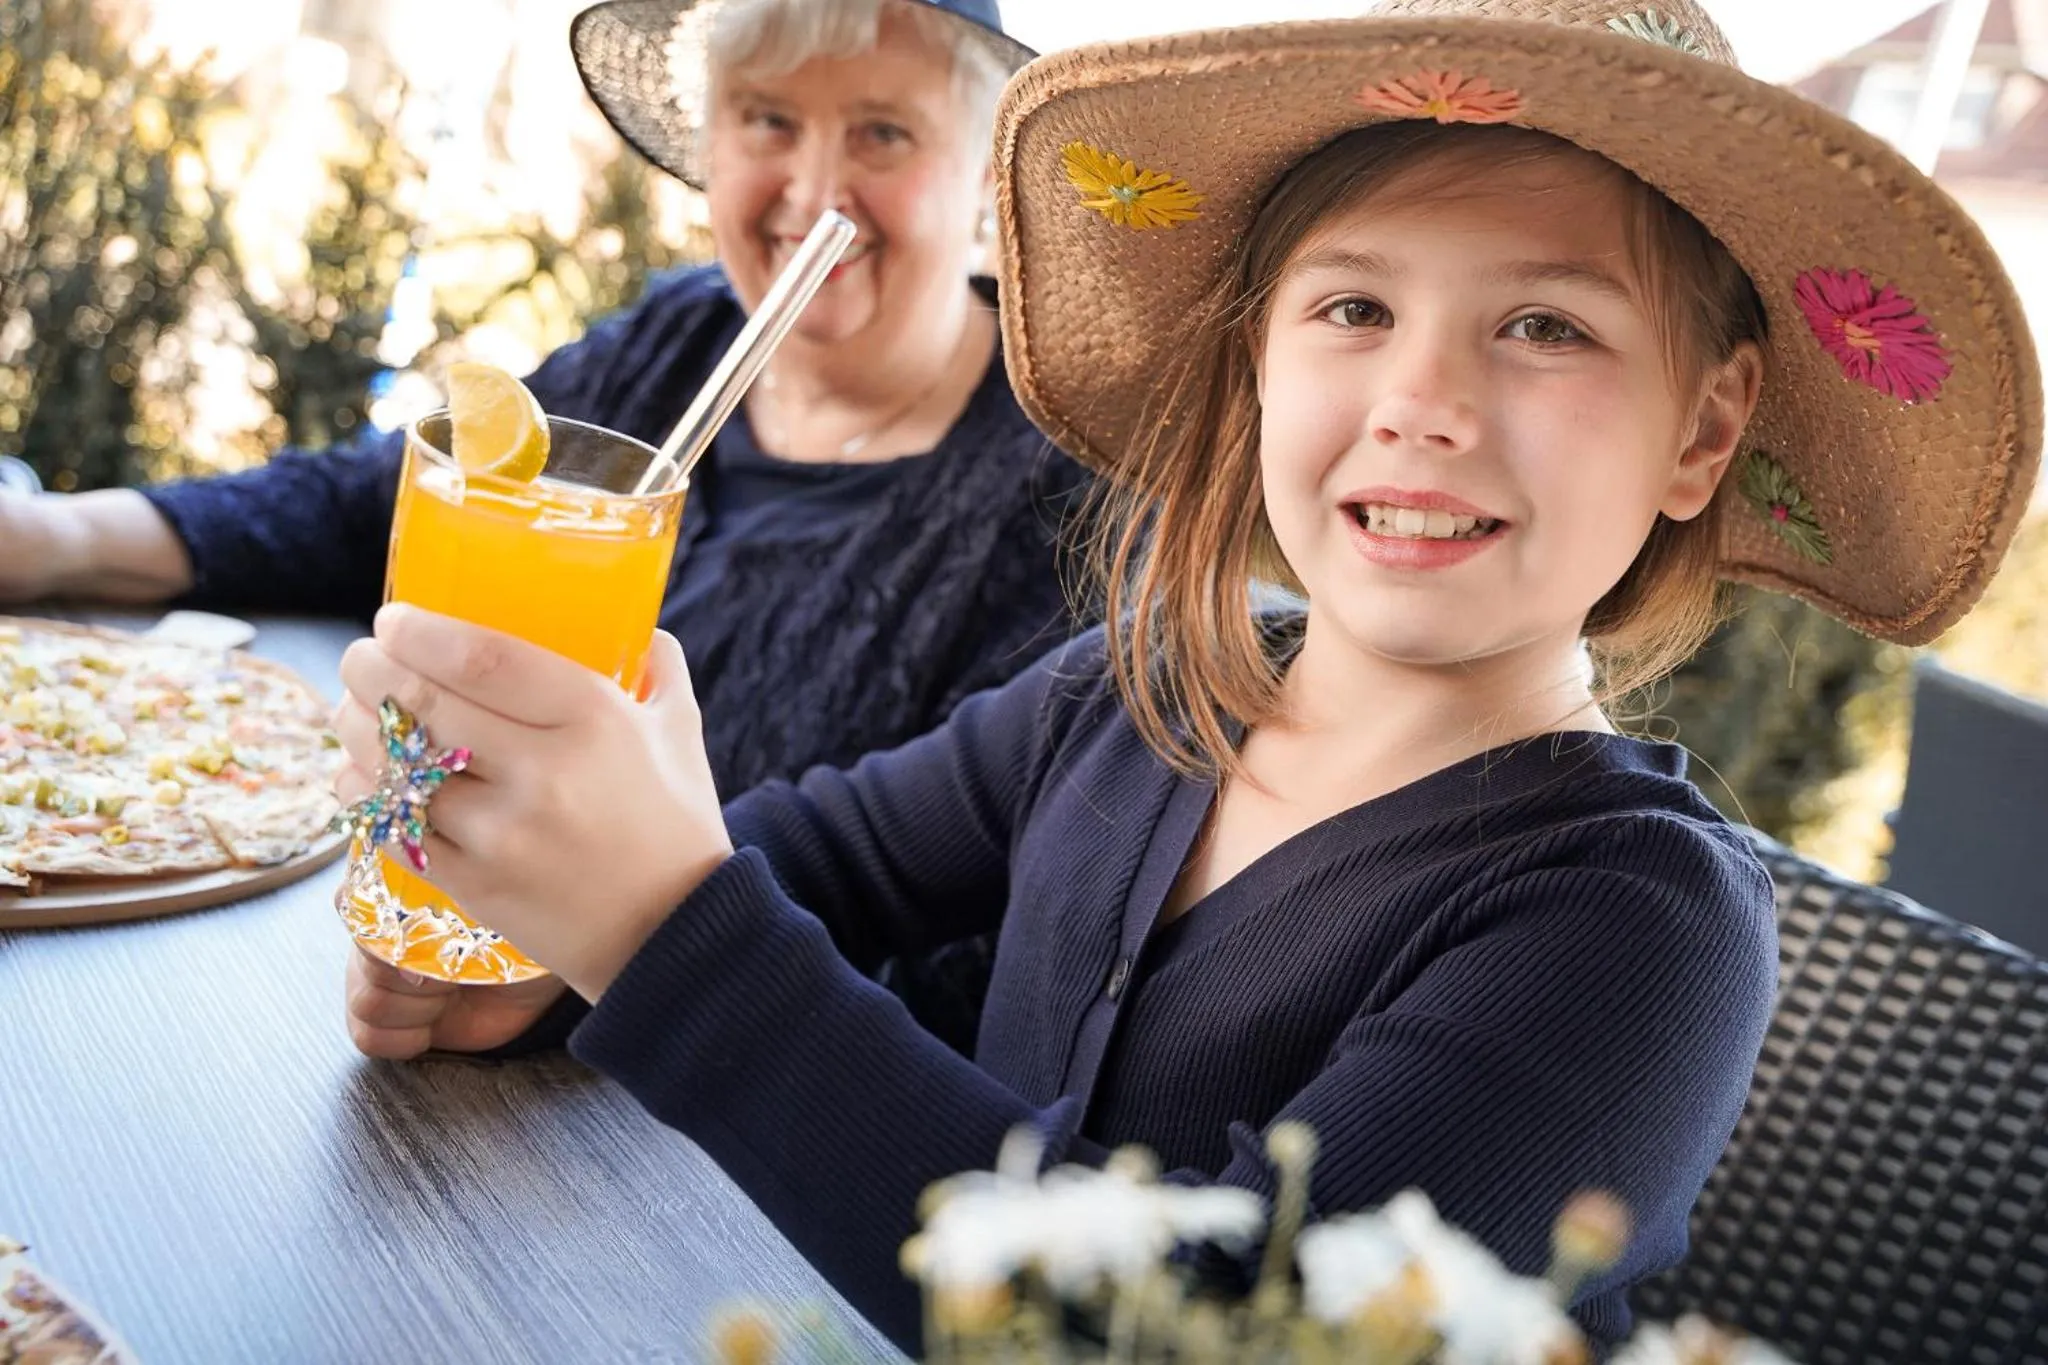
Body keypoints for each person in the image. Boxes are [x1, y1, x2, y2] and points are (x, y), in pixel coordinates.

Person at [333, 0, 2040, 1353]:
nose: (1421, 399)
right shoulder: (1139, 688)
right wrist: (542, 968)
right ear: (1257, 359)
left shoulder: (1636, 929)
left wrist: (663, 931)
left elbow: (1206, 1335)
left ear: (1707, 426)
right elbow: (826, 860)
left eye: (1547, 326)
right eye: (1354, 308)